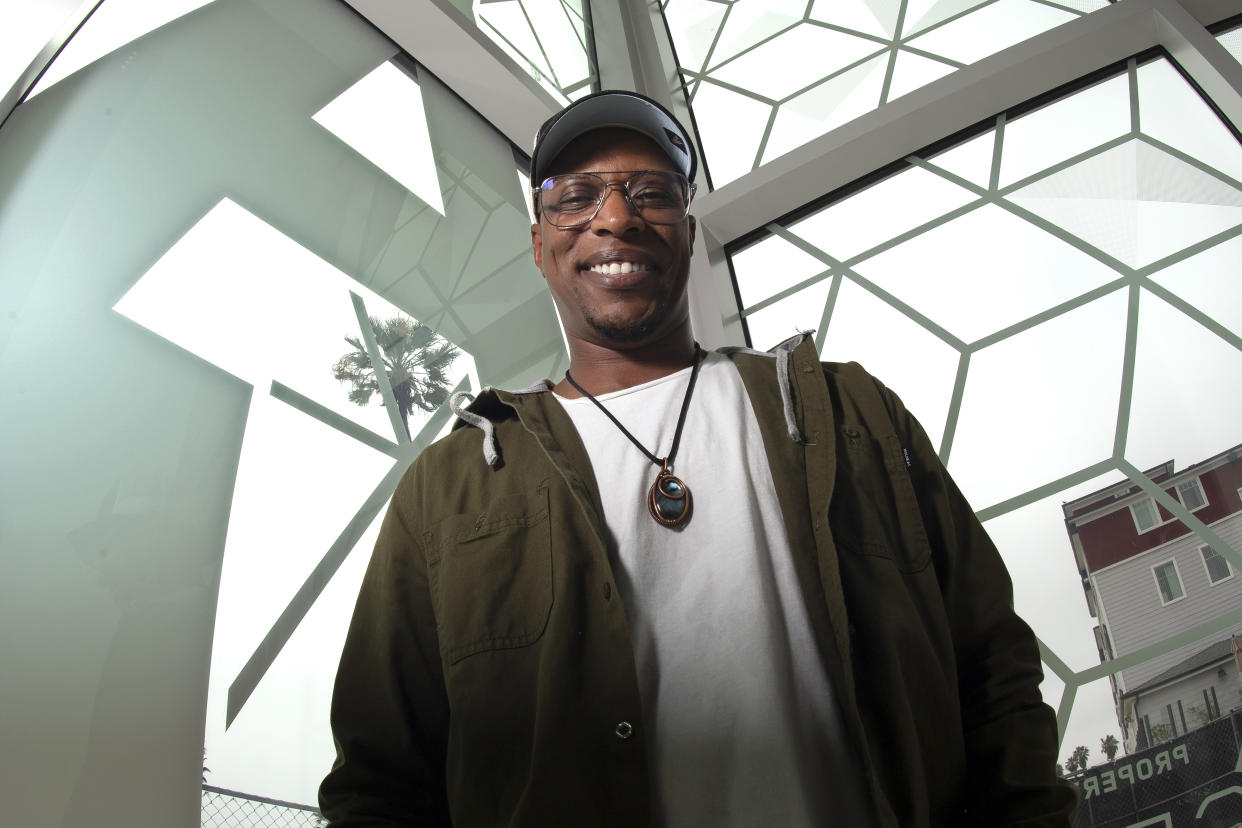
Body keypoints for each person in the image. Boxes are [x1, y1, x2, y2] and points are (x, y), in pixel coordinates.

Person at [318, 90, 1078, 827]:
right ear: (540, 242)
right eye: (576, 195)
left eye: (651, 191)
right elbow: (381, 785)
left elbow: (992, 671)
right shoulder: (451, 491)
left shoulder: (853, 419)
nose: (615, 217)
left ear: (686, 227)